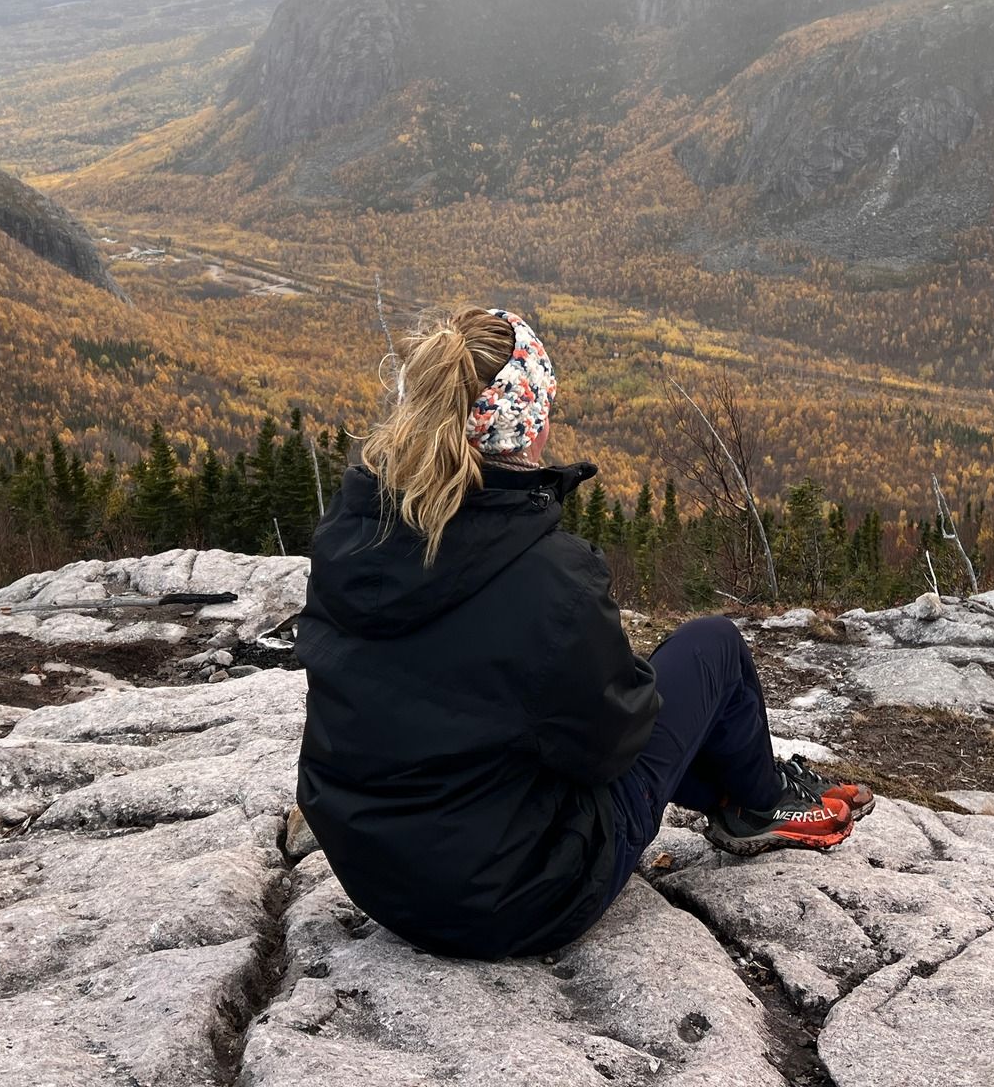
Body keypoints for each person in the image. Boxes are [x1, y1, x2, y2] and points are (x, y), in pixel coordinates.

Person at [295, 304, 871, 962]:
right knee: (713, 648)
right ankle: (761, 803)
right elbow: (609, 750)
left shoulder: (351, 532)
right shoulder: (548, 576)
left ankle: (740, 791)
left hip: (373, 873)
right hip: (515, 902)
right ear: (532, 423)